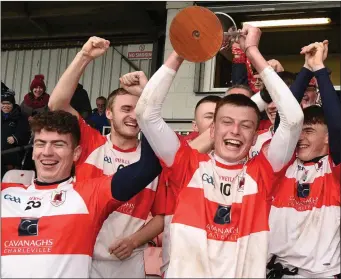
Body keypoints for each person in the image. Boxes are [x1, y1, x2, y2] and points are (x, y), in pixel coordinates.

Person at [134, 24, 303, 277]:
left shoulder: (263, 173)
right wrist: (180, 51)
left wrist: (253, 52)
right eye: (227, 122)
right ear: (211, 131)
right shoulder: (187, 164)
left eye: (246, 125)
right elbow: (146, 114)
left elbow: (294, 118)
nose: (235, 131)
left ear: (255, 136)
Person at [48, 37, 165, 278]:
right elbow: (57, 103)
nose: (134, 116)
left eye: (138, 109)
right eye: (126, 109)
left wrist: (134, 240)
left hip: (129, 260)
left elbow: (163, 215)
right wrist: (85, 56)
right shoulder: (91, 142)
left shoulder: (153, 160)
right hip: (81, 256)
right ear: (108, 113)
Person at [1, 110, 162, 278]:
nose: (47, 152)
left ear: (76, 153)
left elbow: (148, 167)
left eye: (58, 144)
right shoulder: (6, 192)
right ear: (33, 151)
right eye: (41, 143)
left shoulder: (89, 195)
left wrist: (146, 103)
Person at [267, 42, 340, 279]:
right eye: (299, 132)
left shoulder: (334, 169)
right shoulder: (283, 164)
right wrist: (306, 69)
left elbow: (337, 124)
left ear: (328, 137)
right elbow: (285, 120)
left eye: (308, 131)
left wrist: (320, 69)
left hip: (321, 274)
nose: (300, 138)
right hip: (275, 271)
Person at [1, 87, 30, 178]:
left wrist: (15, 138)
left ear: (13, 104)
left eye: (8, 103)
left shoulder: (21, 117)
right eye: (3, 103)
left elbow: (25, 134)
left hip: (12, 156)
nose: (5, 106)